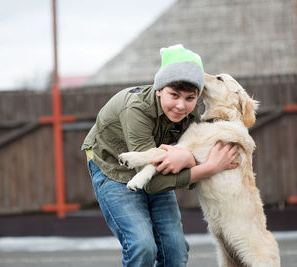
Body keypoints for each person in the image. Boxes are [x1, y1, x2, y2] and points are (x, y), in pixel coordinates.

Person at [81, 44, 238, 267]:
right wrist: (207, 168)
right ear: (159, 89)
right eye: (174, 95)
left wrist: (190, 159)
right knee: (142, 246)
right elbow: (153, 184)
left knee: (175, 250)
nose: (181, 105)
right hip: (112, 167)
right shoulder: (135, 110)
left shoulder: (189, 113)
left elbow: (185, 162)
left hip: (153, 169)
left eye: (190, 98)